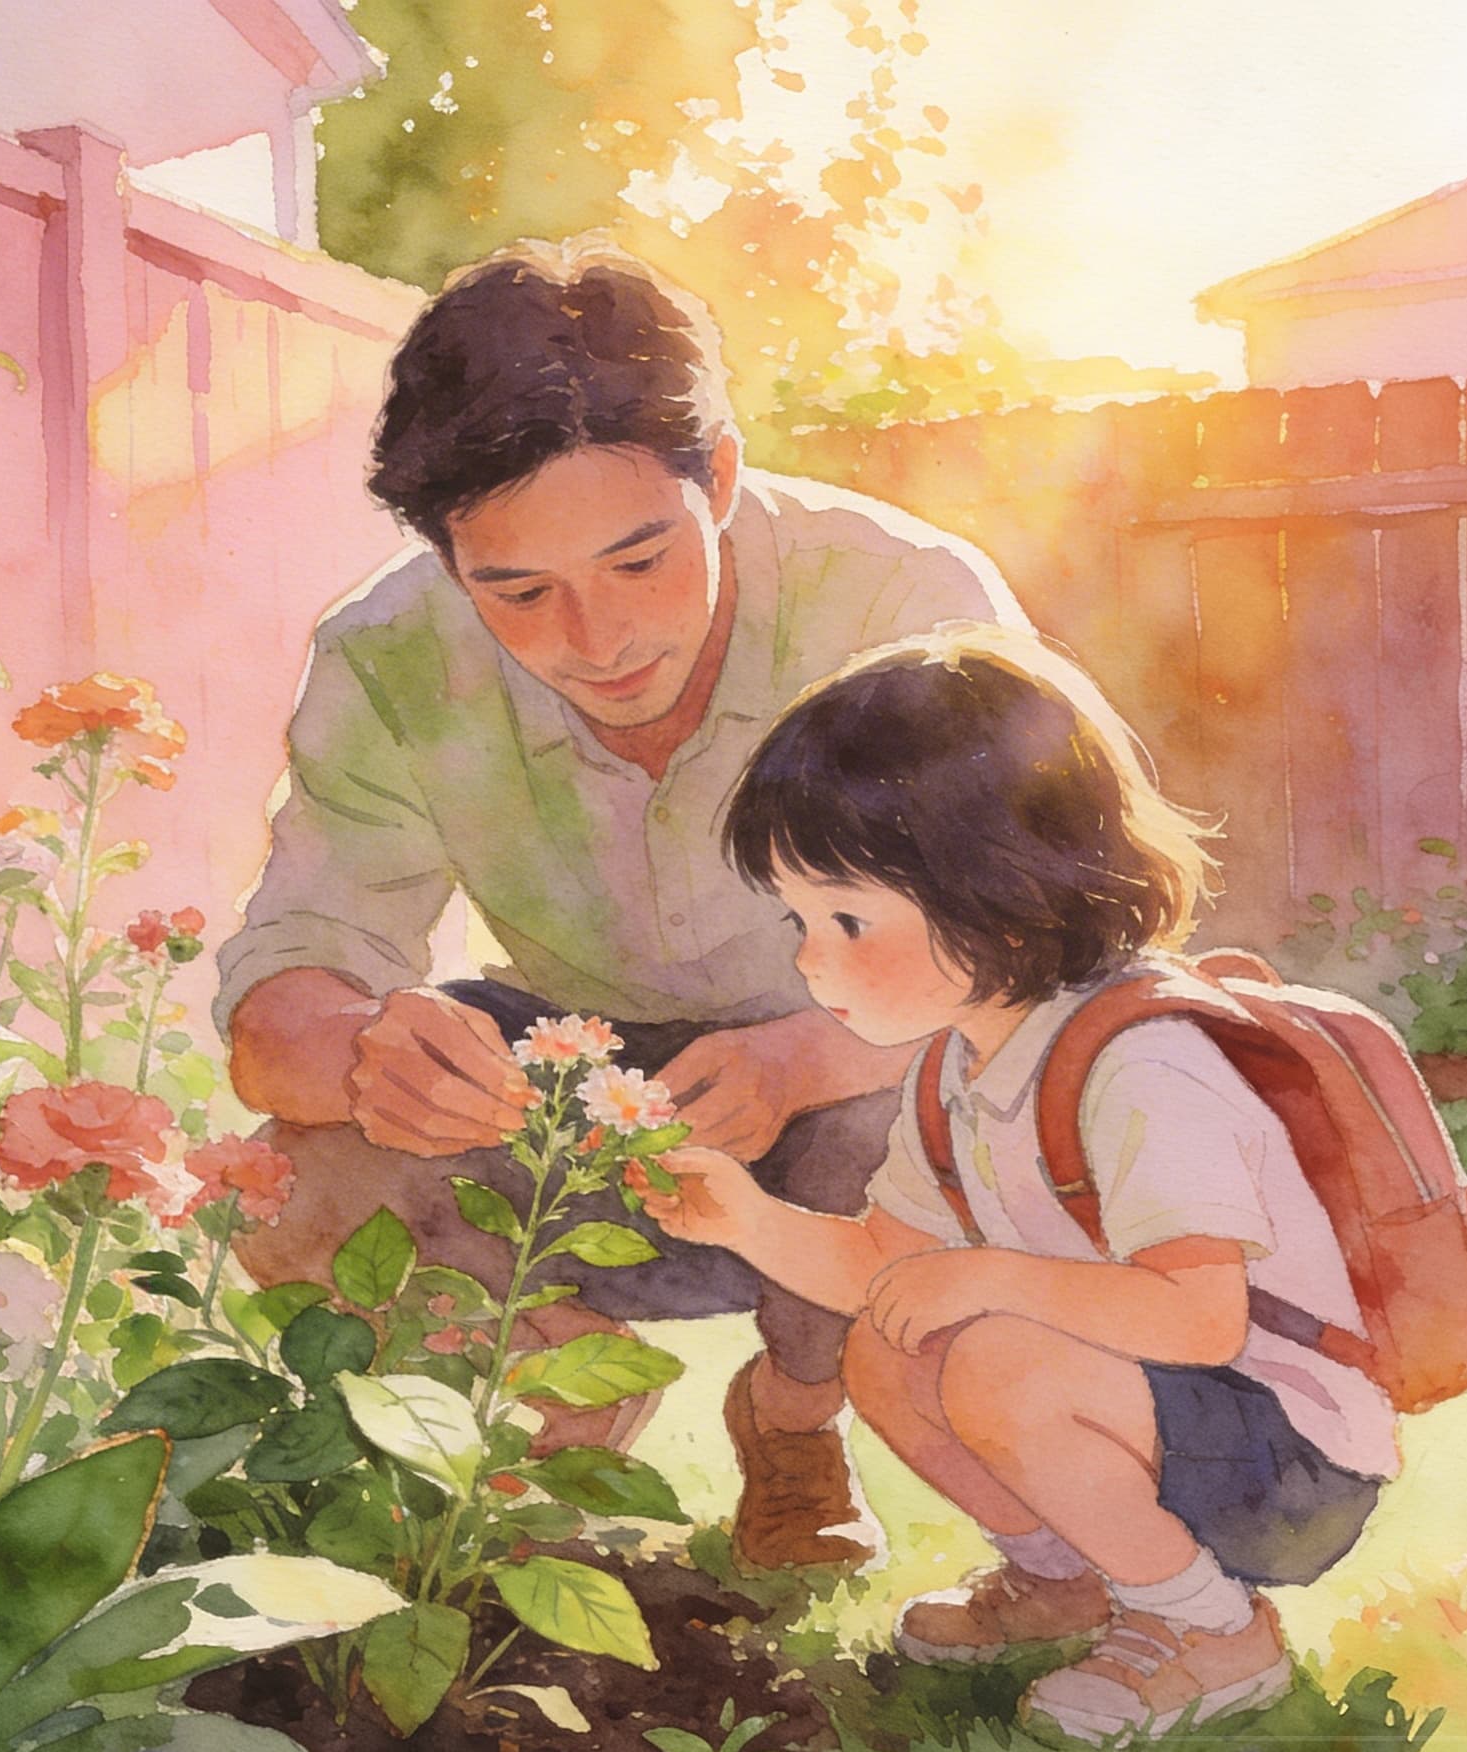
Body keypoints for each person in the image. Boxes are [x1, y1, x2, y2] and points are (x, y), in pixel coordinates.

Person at [213, 238, 1029, 1572]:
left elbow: (1038, 957)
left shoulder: (902, 602)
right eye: (518, 592)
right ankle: (558, 1387)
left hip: (863, 1091)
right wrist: (364, 1058)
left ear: (716, 476)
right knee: (281, 1184)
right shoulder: (387, 656)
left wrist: (801, 1054)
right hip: (574, 1091)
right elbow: (282, 993)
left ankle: (795, 1422)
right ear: (445, 558)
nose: (595, 642)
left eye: (640, 563)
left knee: (925, 1085)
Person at [635, 627, 1397, 1742]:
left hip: (1289, 1453)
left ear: (1000, 897)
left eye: (849, 920)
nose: (808, 960)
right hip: (1157, 1415)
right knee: (888, 1345)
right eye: (799, 921)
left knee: (989, 1353)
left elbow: (1196, 1316)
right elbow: (878, 1266)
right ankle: (1068, 1581)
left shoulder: (1141, 1062)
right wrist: (743, 1219)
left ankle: (1210, 1629)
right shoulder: (961, 1065)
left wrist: (987, 1277)